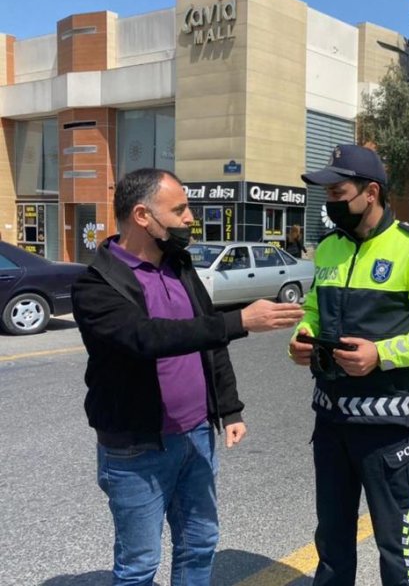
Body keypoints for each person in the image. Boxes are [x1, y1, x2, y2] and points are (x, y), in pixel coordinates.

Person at [71, 168, 304, 585]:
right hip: (136, 448)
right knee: (139, 564)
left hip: (197, 435)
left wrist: (230, 410)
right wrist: (241, 321)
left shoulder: (180, 267)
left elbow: (208, 342)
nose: (190, 217)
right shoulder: (97, 285)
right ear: (143, 216)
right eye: (179, 209)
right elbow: (145, 337)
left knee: (199, 543)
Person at [288, 144, 409, 585]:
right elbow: (312, 310)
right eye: (326, 193)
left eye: (338, 192)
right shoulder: (328, 249)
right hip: (330, 423)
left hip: (387, 432)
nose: (330, 203)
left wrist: (381, 355)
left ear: (371, 192)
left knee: (394, 548)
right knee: (331, 545)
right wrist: (300, 338)